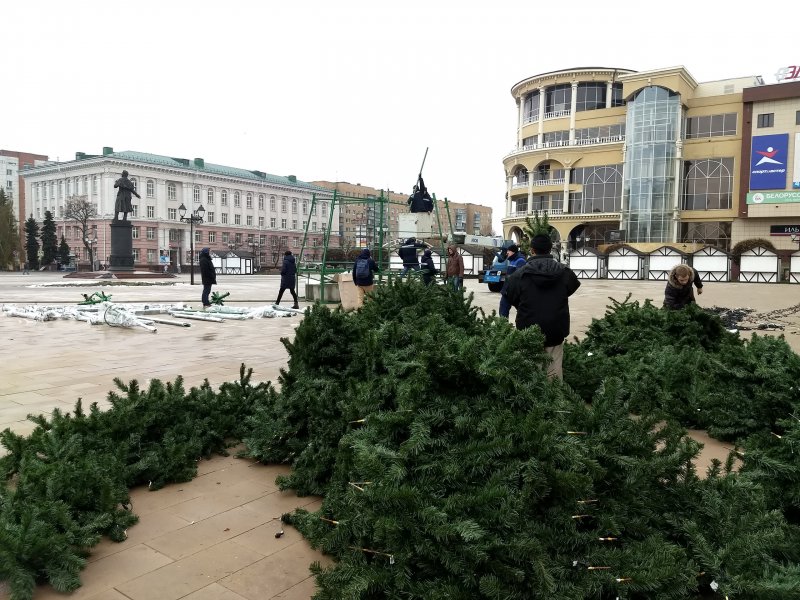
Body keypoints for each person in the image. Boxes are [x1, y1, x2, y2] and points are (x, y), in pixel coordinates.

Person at [503, 234, 581, 380]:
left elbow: (511, 296)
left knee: (530, 373)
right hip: (556, 329)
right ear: (550, 249)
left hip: (528, 328)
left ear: (532, 250)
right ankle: (553, 400)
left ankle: (532, 399)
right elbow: (572, 287)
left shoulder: (519, 275)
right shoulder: (565, 273)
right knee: (554, 372)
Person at [498, 243, 527, 319]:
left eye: (509, 251)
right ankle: (503, 328)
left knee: (522, 313)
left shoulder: (520, 261)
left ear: (513, 252)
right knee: (502, 311)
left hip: (514, 292)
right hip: (507, 291)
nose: (507, 252)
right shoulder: (512, 260)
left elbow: (518, 277)